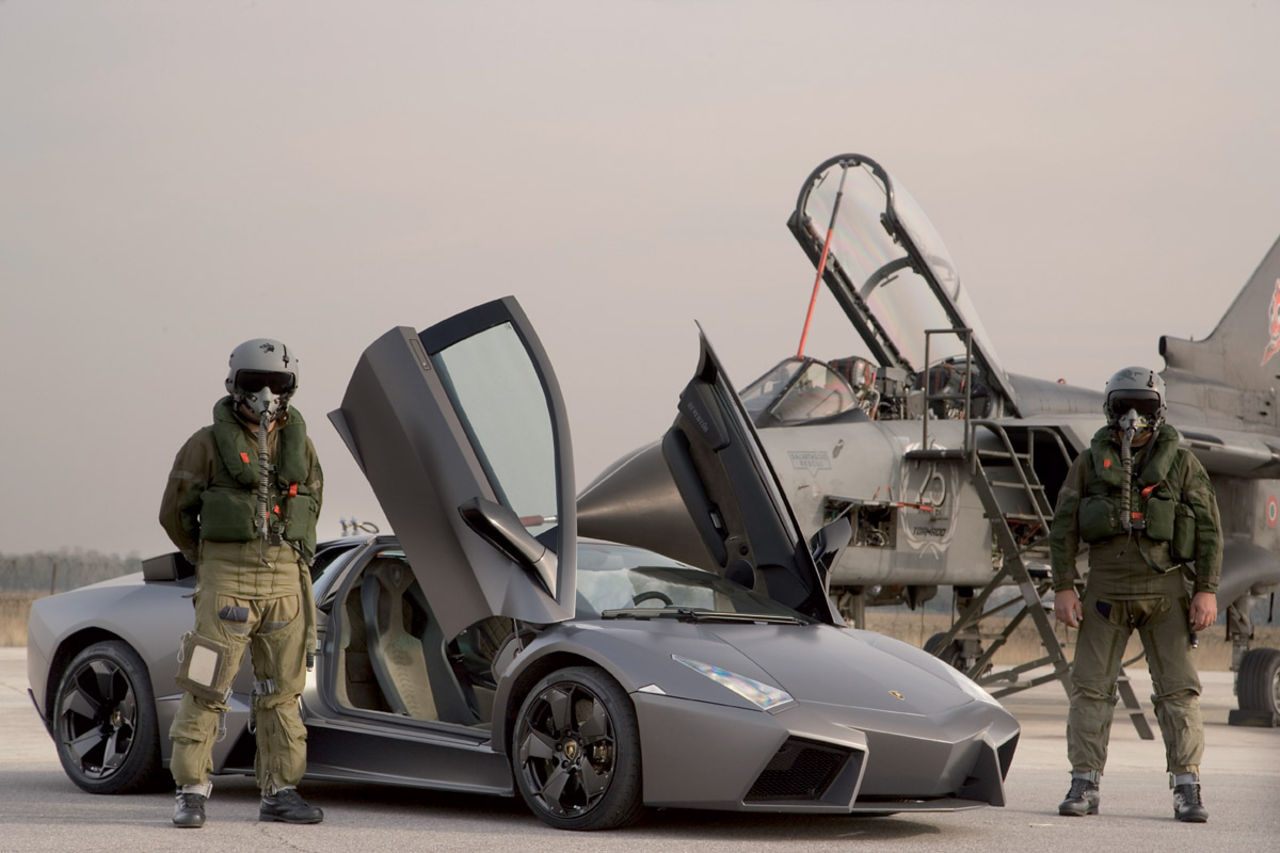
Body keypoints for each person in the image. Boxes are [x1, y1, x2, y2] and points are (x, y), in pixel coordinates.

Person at [159, 339, 324, 828]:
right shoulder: (206, 444)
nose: (266, 394)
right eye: (255, 383)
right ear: (235, 386)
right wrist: (207, 559)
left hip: (285, 584)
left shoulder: (302, 446)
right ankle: (190, 791)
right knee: (207, 684)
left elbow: (311, 506)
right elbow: (175, 513)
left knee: (282, 691)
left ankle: (281, 790)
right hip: (226, 579)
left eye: (277, 383)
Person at [1049, 366, 1221, 823]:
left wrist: (1207, 589)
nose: (1132, 417)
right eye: (1123, 406)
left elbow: (1208, 529)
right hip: (1104, 592)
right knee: (1089, 689)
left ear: (1158, 411)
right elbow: (1064, 526)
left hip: (1166, 591)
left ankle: (1188, 787)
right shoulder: (1089, 462)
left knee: (1179, 692)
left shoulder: (1182, 464)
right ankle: (1084, 782)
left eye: (1142, 408)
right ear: (1109, 409)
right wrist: (1063, 586)